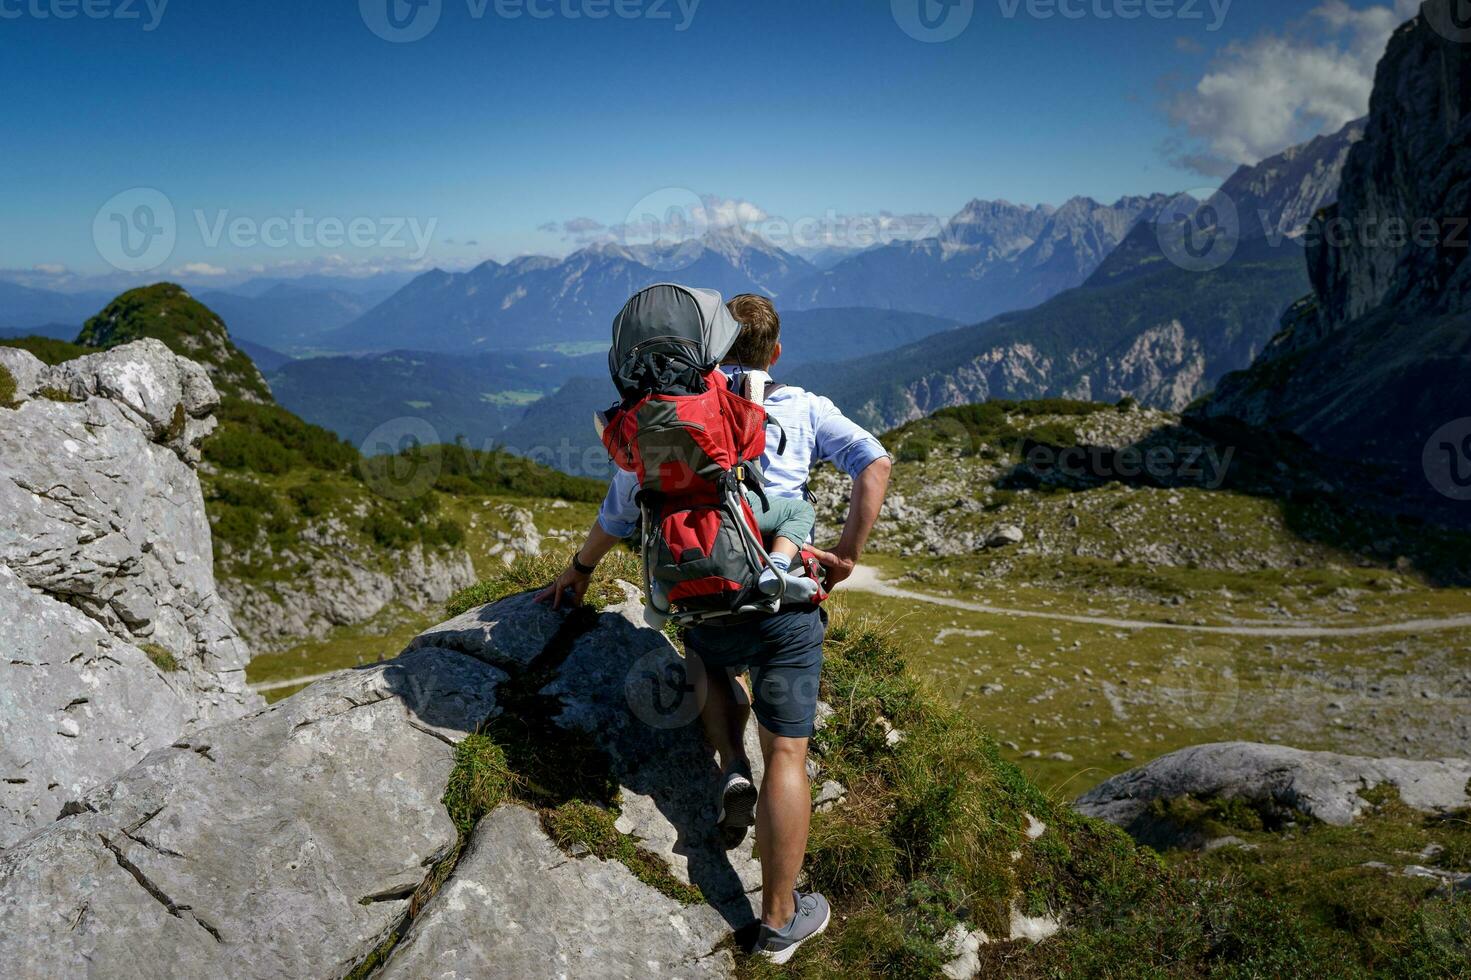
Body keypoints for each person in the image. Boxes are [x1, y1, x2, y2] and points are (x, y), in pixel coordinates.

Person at [537, 292, 891, 964]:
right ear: (774, 353)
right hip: (784, 609)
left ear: (710, 350)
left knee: (707, 657)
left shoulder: (665, 418)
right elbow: (874, 463)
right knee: (786, 753)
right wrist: (845, 553)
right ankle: (780, 921)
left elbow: (619, 512)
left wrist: (578, 573)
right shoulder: (804, 407)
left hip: (701, 600)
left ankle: (729, 765)